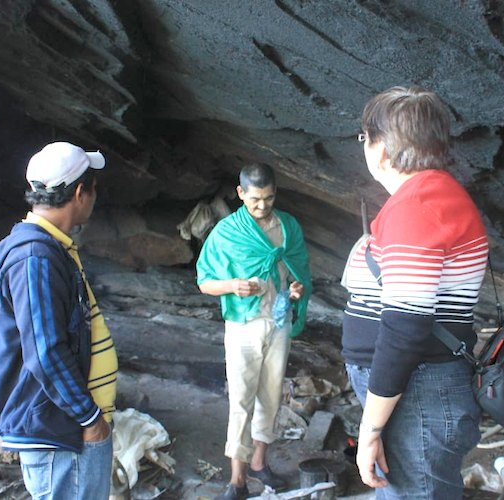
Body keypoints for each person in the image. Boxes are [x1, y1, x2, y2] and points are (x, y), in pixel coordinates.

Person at [342, 86, 488, 499]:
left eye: (364, 138)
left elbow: (406, 327)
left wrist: (369, 429)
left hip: (418, 393)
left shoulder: (417, 208)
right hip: (419, 391)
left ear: (383, 149)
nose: (364, 147)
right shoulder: (432, 197)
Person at [0, 142, 118, 500]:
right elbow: (45, 352)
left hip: (65, 426)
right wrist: (89, 418)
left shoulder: (50, 248)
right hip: (62, 430)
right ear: (79, 192)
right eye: (93, 188)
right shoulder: (35, 258)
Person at [196, 163, 312, 500]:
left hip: (278, 322)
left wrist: (294, 290)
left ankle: (260, 462)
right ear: (240, 193)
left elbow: (295, 271)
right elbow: (204, 281)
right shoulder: (227, 232)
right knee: (241, 400)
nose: (262, 206)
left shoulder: (287, 226)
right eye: (255, 199)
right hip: (243, 325)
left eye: (269, 198)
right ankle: (238, 480)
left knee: (271, 395)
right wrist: (233, 285)